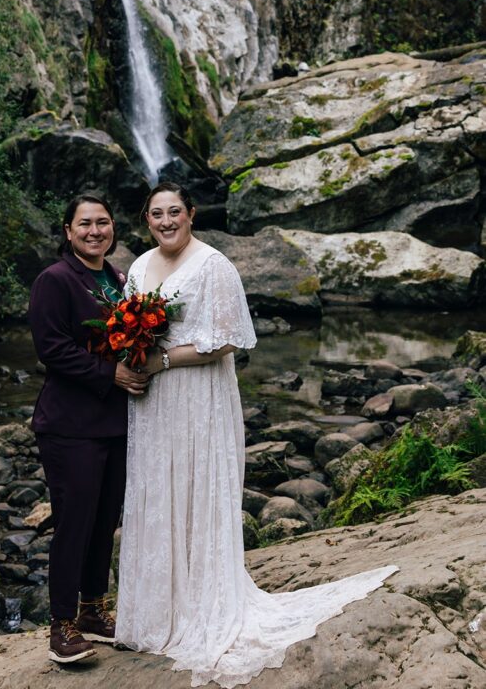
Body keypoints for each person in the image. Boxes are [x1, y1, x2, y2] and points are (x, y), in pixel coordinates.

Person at [115, 181, 398, 688]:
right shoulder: (137, 267)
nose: (166, 221)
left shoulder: (215, 266)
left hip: (198, 397)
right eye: (156, 214)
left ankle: (201, 606)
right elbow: (126, 330)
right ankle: (159, 614)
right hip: (155, 404)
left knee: (197, 489)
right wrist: (132, 358)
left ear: (191, 214)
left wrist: (158, 360)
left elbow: (224, 341)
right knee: (159, 491)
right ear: (146, 220)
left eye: (174, 211)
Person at [28, 193, 148, 665]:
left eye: (102, 222)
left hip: (116, 423)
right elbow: (51, 348)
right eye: (85, 224)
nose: (95, 231)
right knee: (74, 524)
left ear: (113, 228)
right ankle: (61, 627)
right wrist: (110, 374)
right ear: (67, 231)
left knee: (104, 522)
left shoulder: (120, 278)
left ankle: (94, 610)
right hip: (70, 425)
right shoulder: (54, 280)